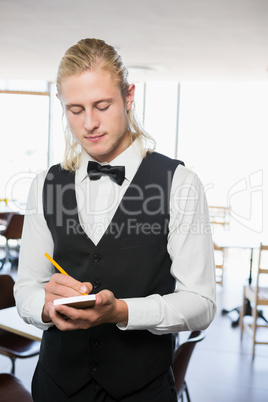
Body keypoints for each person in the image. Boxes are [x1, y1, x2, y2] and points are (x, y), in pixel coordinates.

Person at [14, 38, 216, 402]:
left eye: (102, 105)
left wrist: (121, 311)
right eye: (75, 109)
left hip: (143, 391)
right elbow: (26, 286)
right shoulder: (45, 184)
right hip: (55, 388)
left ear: (128, 96)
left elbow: (200, 303)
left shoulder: (181, 183)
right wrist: (44, 307)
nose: (89, 123)